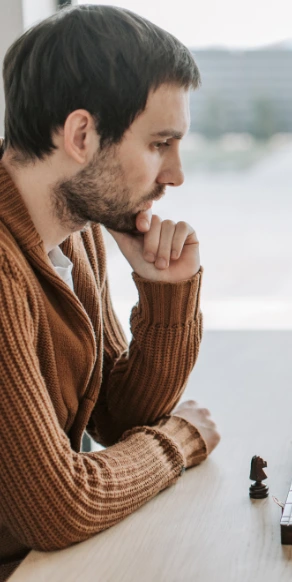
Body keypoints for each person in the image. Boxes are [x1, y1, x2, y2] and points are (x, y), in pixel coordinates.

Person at [0, 5, 220, 577]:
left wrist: (165, 293)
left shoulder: (77, 234)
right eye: (159, 144)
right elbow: (56, 507)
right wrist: (179, 440)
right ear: (81, 134)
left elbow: (118, 420)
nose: (175, 175)